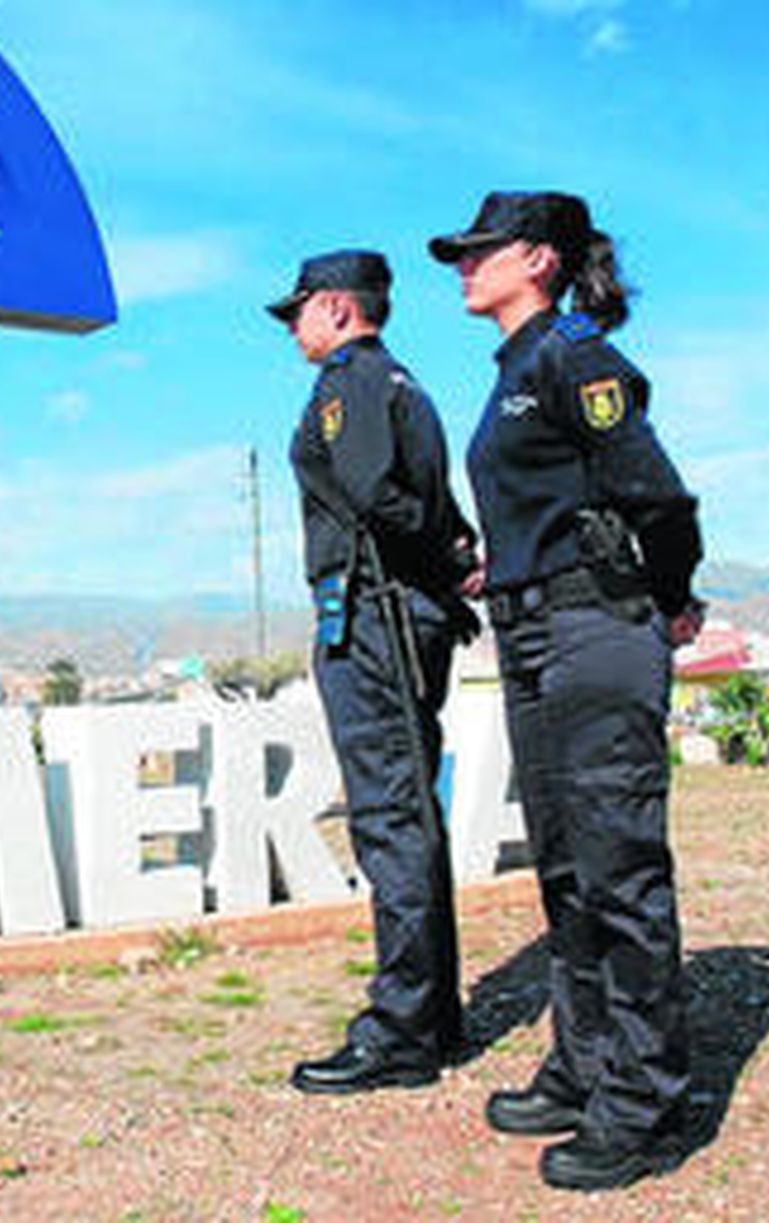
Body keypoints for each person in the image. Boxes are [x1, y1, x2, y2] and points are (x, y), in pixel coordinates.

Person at [430, 191, 705, 1192]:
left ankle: (644, 1097)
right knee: (564, 865)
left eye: (479, 252)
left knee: (617, 863)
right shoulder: (513, 370)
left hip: (597, 625)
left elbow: (658, 494)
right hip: (533, 622)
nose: (462, 266)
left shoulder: (574, 357)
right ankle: (584, 1062)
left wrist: (670, 597)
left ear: (538, 260)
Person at [268, 250, 481, 1094]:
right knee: (411, 817)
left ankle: (400, 1029)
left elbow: (371, 495)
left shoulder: (348, 384)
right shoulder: (405, 385)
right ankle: (434, 1019)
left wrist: (435, 560)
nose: (293, 328)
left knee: (390, 821)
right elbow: (429, 498)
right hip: (409, 613)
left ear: (335, 308)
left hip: (374, 615)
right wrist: (456, 557)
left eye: (298, 313)